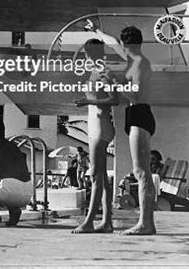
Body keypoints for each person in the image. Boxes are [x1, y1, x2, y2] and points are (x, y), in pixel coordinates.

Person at [87, 20, 156, 235]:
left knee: (142, 171)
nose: (120, 49)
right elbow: (113, 41)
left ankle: (146, 224)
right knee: (141, 170)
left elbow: (134, 94)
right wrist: (96, 30)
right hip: (135, 114)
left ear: (128, 46)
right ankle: (147, 223)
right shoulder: (132, 56)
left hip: (140, 112)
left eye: (123, 46)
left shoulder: (139, 64)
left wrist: (116, 84)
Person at [72, 39, 119, 233]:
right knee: (99, 177)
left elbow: (114, 99)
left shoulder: (103, 72)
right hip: (94, 125)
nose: (84, 57)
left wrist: (86, 101)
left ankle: (89, 220)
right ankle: (106, 221)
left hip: (101, 126)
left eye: (86, 53)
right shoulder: (95, 71)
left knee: (96, 176)